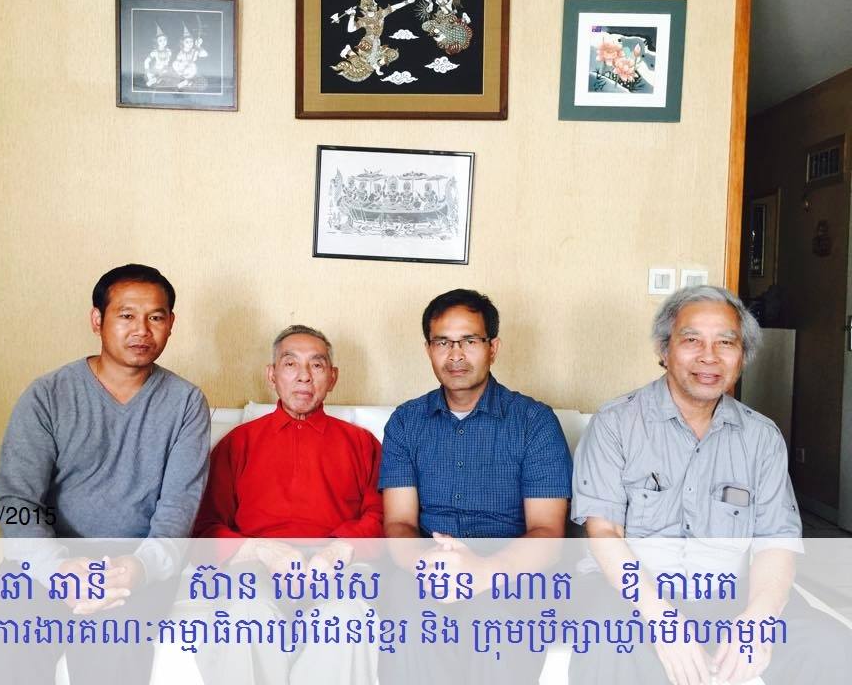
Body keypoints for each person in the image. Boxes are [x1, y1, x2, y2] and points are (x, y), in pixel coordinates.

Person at [571, 285, 850, 685]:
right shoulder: (615, 423)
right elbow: (604, 533)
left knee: (832, 646)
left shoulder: (762, 438)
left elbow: (776, 543)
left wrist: (758, 619)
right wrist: (661, 620)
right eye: (692, 340)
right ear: (664, 350)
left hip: (727, 595)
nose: (709, 356)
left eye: (725, 342)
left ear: (743, 356)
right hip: (633, 597)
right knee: (606, 644)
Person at [0, 263, 211, 685]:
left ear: (171, 324)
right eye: (126, 315)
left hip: (133, 562)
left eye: (155, 317)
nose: (142, 330)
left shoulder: (186, 403)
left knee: (111, 648)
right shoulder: (48, 395)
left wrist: (138, 569)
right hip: (52, 554)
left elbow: (178, 508)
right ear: (97, 320)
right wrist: (57, 570)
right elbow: (16, 502)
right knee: (12, 642)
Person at [379, 288, 572, 683]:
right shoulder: (406, 422)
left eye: (469, 340)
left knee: (495, 617)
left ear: (492, 348)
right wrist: (426, 566)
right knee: (408, 608)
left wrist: (485, 572)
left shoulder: (534, 422)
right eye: (443, 342)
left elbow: (548, 532)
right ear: (428, 349)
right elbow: (398, 522)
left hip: (510, 569)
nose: (456, 355)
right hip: (429, 566)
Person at [192, 324, 383, 685]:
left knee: (346, 618)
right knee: (248, 613)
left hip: (337, 567)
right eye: (291, 364)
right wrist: (261, 551)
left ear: (332, 377)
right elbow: (205, 528)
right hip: (256, 565)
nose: (304, 376)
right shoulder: (238, 443)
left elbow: (382, 515)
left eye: (317, 365)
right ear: (272, 375)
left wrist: (337, 552)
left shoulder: (361, 443)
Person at [331, 0, 417, 82]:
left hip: (377, 43)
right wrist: (352, 15)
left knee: (393, 54)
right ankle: (349, 51)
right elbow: (350, 30)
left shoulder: (380, 14)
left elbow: (394, 7)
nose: (376, 3)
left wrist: (407, 2)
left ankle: (376, 65)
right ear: (368, 6)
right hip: (366, 44)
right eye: (373, 2)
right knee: (363, 66)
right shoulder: (365, 20)